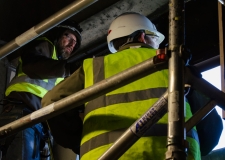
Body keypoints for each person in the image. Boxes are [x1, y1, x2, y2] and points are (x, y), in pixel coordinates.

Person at [41, 12, 201, 159]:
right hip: (173, 154)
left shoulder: (94, 66)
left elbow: (50, 102)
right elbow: (211, 124)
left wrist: (79, 141)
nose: (158, 45)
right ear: (142, 36)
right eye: (155, 39)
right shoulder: (173, 62)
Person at [0, 19, 82, 160]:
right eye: (69, 37)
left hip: (36, 121)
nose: (72, 44)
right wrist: (68, 68)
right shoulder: (46, 46)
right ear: (58, 35)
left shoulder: (57, 67)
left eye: (75, 43)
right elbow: (31, 65)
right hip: (22, 113)